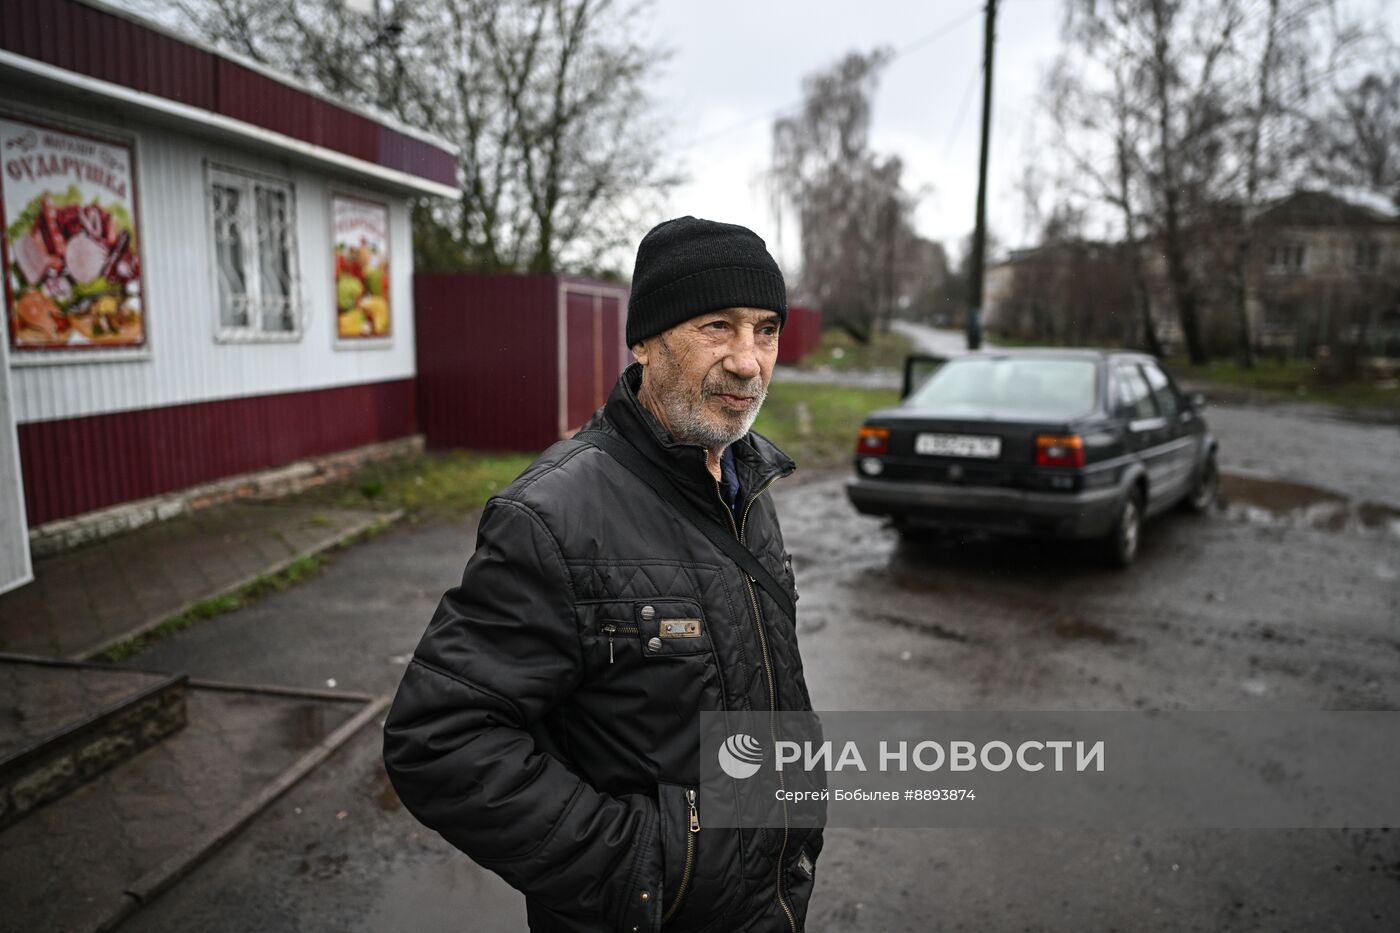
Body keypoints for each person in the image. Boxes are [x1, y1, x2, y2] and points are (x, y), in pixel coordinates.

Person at [383, 216, 822, 932]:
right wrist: (652, 867)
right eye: (718, 325)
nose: (749, 361)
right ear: (646, 340)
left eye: (766, 330)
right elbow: (438, 739)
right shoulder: (554, 515)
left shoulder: (746, 483)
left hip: (769, 907)